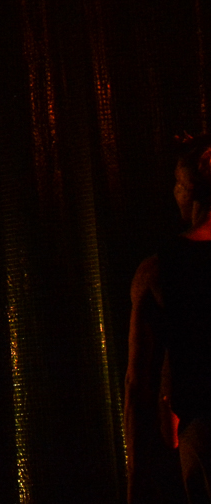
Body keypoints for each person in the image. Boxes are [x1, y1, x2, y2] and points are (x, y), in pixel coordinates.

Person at [127, 133, 211, 503]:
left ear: (190, 191)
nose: (174, 193)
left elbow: (137, 383)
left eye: (177, 184)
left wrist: (136, 476)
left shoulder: (159, 270)